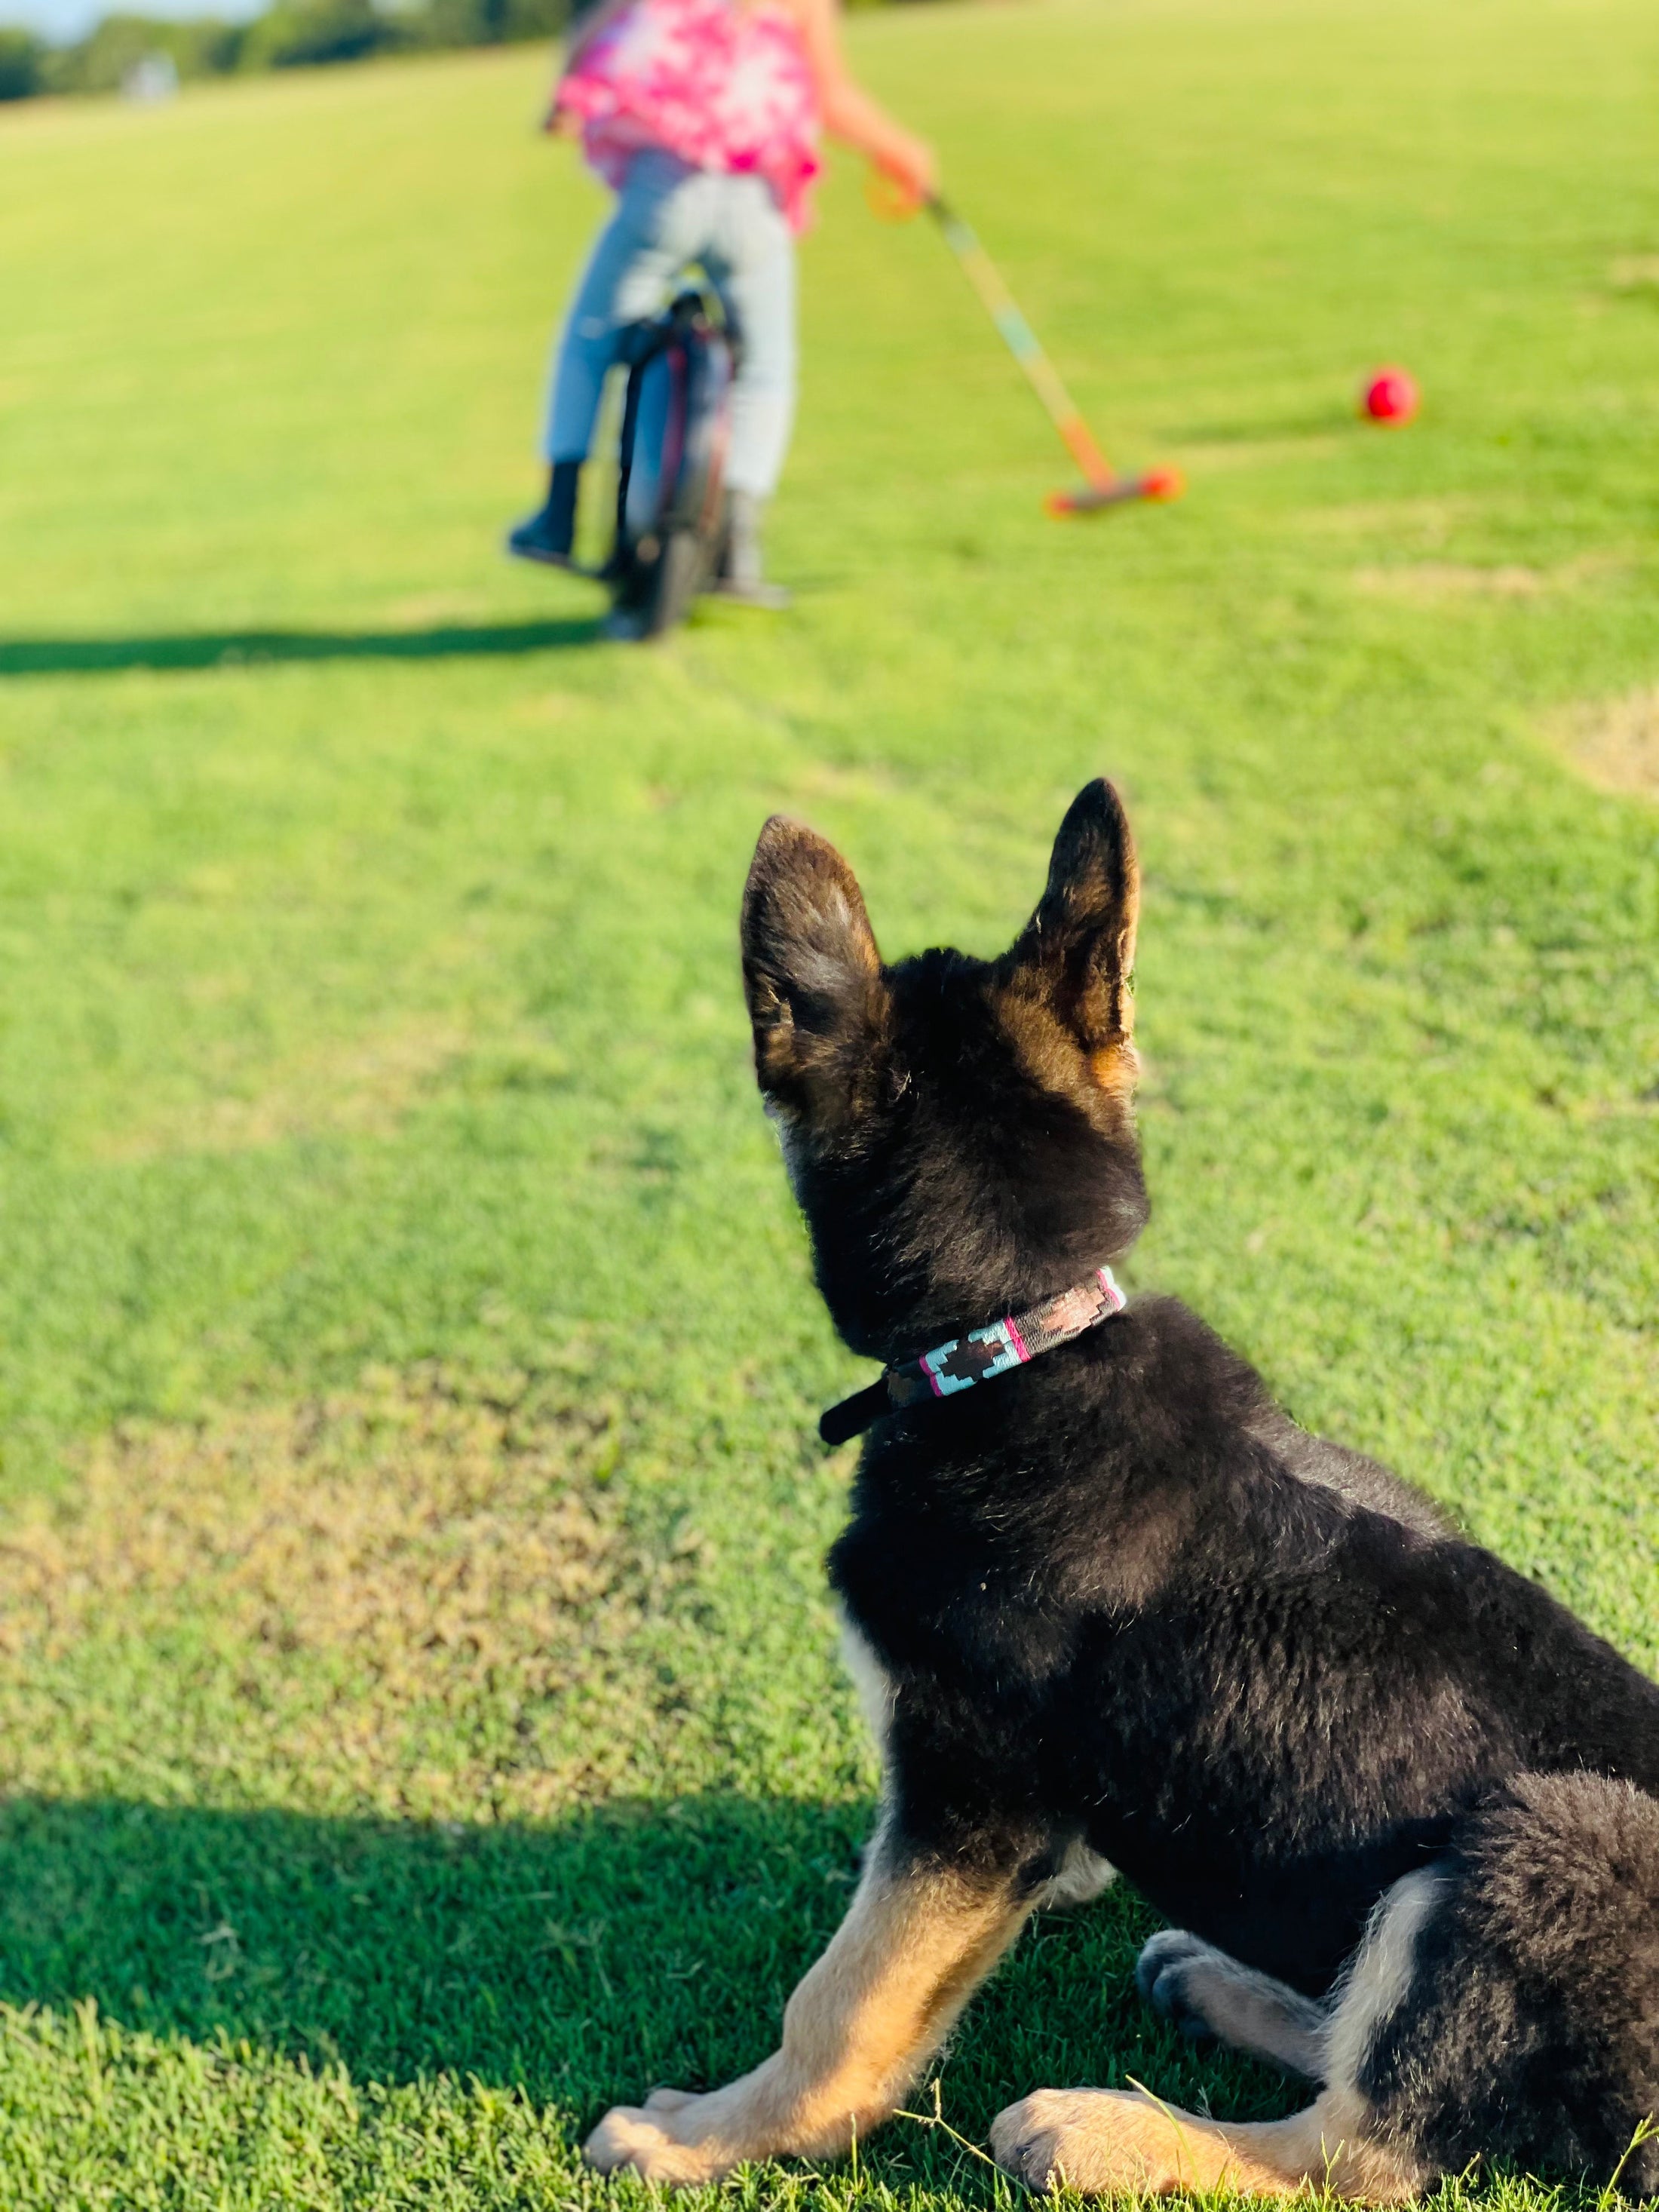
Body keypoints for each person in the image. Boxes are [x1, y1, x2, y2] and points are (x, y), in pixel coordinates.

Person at [507, 0, 936, 609]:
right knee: (764, 370)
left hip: (663, 188)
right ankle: (736, 546)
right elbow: (831, 96)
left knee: (591, 339)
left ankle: (559, 513)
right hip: (752, 201)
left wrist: (562, 105)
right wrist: (903, 152)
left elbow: (592, 40)